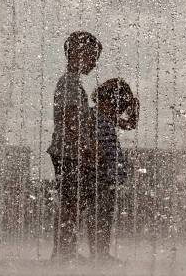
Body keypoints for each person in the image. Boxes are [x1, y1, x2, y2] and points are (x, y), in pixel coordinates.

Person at [47, 31, 102, 262]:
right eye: (93, 56)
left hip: (68, 151)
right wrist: (87, 148)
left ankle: (64, 250)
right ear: (79, 54)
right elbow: (70, 120)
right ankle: (63, 252)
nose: (95, 62)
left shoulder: (72, 83)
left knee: (72, 203)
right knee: (71, 204)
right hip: (68, 152)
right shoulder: (68, 83)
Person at [85, 78, 138, 261]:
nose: (118, 113)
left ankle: (102, 253)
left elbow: (131, 125)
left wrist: (134, 106)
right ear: (104, 100)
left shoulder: (107, 116)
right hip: (98, 174)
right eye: (117, 107)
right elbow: (87, 142)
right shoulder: (92, 115)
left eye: (120, 109)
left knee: (106, 215)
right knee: (97, 214)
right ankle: (97, 254)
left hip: (109, 176)